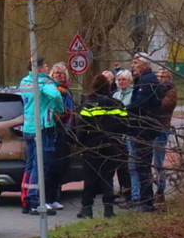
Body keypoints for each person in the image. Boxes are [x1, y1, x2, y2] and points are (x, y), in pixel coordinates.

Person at [75, 73, 128, 218]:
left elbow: (81, 128)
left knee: (90, 179)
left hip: (91, 147)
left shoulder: (88, 105)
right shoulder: (117, 104)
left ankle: (87, 209)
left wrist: (79, 143)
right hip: (112, 147)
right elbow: (125, 124)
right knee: (107, 178)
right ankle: (108, 210)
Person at [19, 57, 65, 215]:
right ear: (39, 68)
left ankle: (26, 199)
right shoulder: (43, 82)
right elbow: (56, 96)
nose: (46, 68)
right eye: (45, 65)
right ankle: (36, 201)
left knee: (31, 164)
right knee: (41, 165)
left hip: (28, 128)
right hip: (42, 128)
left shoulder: (24, 81)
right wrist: (59, 108)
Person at [126, 53, 162, 212]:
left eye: (136, 63)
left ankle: (147, 203)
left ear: (145, 64)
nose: (133, 66)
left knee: (143, 166)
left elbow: (139, 103)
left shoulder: (148, 81)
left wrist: (123, 111)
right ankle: (144, 200)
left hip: (144, 129)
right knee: (140, 166)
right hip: (140, 128)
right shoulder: (143, 79)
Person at [45, 62, 74, 210]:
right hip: (54, 131)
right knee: (51, 166)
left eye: (62, 73)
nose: (59, 75)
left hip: (65, 133)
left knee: (61, 166)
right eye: (57, 73)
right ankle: (47, 198)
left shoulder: (68, 91)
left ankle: (55, 197)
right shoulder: (52, 90)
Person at [153, 67, 178, 204]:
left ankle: (161, 190)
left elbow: (163, 106)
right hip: (151, 128)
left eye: (163, 77)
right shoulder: (156, 90)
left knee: (158, 161)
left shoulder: (171, 91)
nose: (160, 80)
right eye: (158, 77)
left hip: (162, 128)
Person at [112, 70, 134, 204]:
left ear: (129, 81)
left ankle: (130, 192)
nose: (121, 82)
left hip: (127, 131)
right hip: (117, 133)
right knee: (119, 163)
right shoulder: (116, 94)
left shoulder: (132, 94)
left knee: (128, 163)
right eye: (119, 80)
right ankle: (122, 189)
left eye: (123, 80)